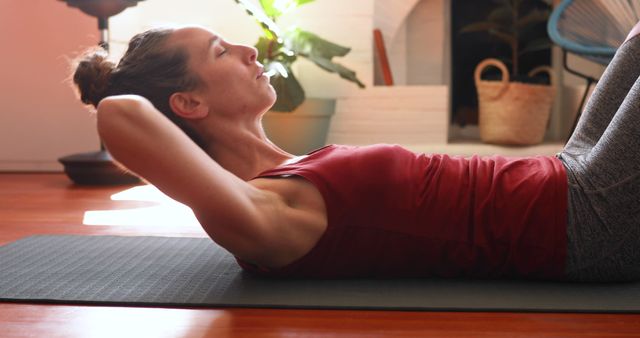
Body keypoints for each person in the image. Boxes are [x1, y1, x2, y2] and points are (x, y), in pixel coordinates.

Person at [72, 23, 640, 282]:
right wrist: (115, 82)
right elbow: (120, 115)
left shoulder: (289, 173)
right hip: (583, 220)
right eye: (222, 51)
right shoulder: (269, 216)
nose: (248, 48)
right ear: (188, 103)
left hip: (567, 171)